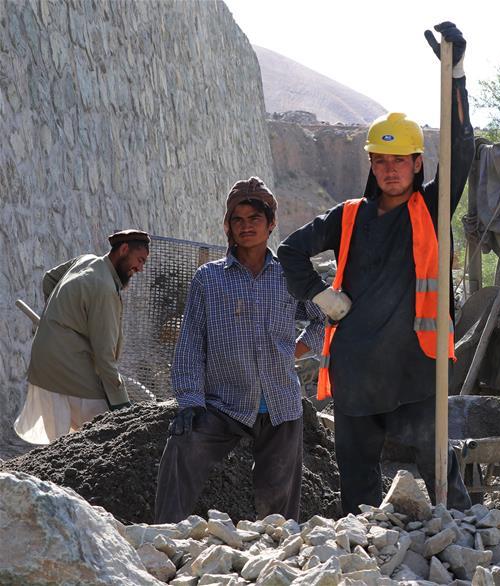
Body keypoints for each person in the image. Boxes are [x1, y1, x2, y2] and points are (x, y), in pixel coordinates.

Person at [278, 22, 473, 514]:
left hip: (415, 367)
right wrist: (320, 295)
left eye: (400, 161)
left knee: (438, 465)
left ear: (416, 164)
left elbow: (462, 150)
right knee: (358, 481)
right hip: (357, 370)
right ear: (371, 162)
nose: (390, 170)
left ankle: (466, 536)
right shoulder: (346, 216)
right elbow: (290, 252)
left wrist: (456, 75)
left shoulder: (430, 209)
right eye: (381, 160)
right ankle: (360, 552)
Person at [154, 177, 325, 523]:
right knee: (182, 449)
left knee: (278, 502)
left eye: (255, 219)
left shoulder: (288, 276)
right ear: (228, 226)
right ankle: (162, 537)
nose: (246, 227)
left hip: (280, 404)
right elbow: (190, 344)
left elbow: (323, 319)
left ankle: (275, 558)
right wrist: (189, 402)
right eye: (238, 220)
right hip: (224, 402)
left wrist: (294, 351)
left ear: (271, 223)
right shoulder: (209, 279)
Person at [16, 230, 151, 444]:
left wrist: (61, 320)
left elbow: (49, 280)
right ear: (124, 249)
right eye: (140, 260)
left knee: (66, 444)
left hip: (48, 361)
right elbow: (104, 356)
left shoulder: (87, 260)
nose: (140, 268)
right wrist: (124, 408)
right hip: (64, 371)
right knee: (105, 433)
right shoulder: (104, 289)